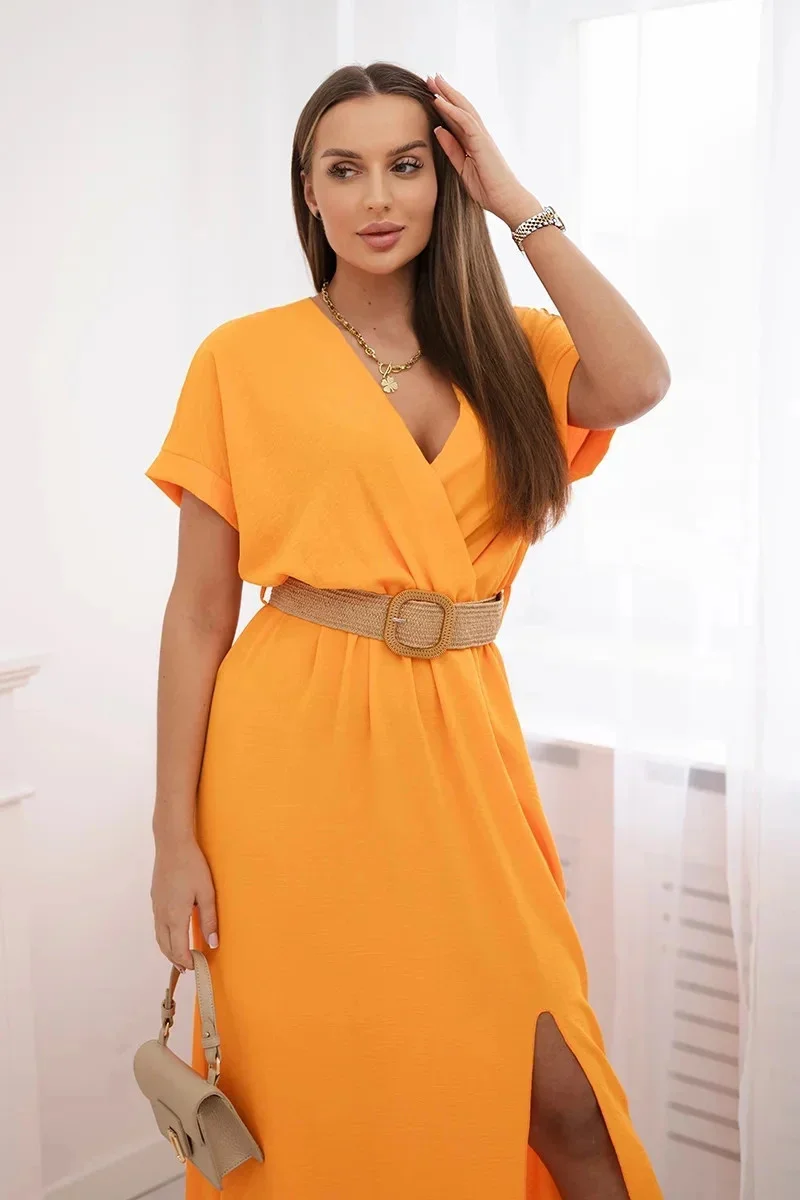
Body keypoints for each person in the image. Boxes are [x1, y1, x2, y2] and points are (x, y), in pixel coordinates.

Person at [146, 60, 669, 1200]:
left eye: (407, 166)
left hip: (460, 746)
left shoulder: (514, 347)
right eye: (345, 170)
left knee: (564, 1099)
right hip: (287, 757)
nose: (377, 197)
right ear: (308, 191)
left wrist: (512, 200)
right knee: (322, 1089)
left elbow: (636, 382)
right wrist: (171, 833)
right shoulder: (242, 357)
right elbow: (197, 613)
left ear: (446, 181)